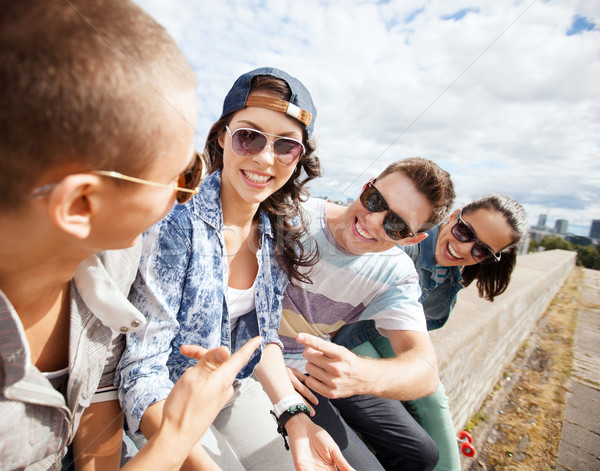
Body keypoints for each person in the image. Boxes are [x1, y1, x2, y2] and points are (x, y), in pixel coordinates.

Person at [0, 1, 263, 470]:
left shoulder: (115, 257)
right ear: (82, 205)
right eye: (182, 177)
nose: (192, 192)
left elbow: (98, 394)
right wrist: (176, 437)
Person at [116, 67, 354, 471]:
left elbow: (259, 339)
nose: (264, 158)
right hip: (167, 403)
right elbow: (142, 372)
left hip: (234, 391)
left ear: (298, 159)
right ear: (223, 137)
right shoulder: (176, 222)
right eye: (249, 136)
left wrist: (294, 416)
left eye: (286, 146)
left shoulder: (276, 233)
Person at [279, 158, 456, 470]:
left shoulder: (396, 271)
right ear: (366, 187)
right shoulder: (291, 216)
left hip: (314, 370)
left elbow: (425, 370)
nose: (373, 221)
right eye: (375, 201)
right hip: (271, 367)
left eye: (396, 225)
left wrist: (361, 375)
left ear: (412, 239)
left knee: (423, 454)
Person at [333, 193, 528, 471]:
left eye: (481, 250)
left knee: (432, 398)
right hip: (349, 333)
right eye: (464, 231)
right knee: (426, 416)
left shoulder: (451, 275)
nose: (463, 249)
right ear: (453, 215)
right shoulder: (407, 242)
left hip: (379, 332)